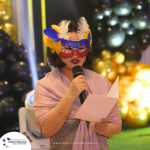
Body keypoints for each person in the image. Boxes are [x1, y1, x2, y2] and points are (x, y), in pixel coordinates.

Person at [33, 17, 122, 150]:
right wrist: (70, 95)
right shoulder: (45, 85)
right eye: (68, 48)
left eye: (80, 48)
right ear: (56, 50)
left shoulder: (101, 81)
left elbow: (116, 125)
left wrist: (105, 128)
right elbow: (47, 130)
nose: (75, 55)